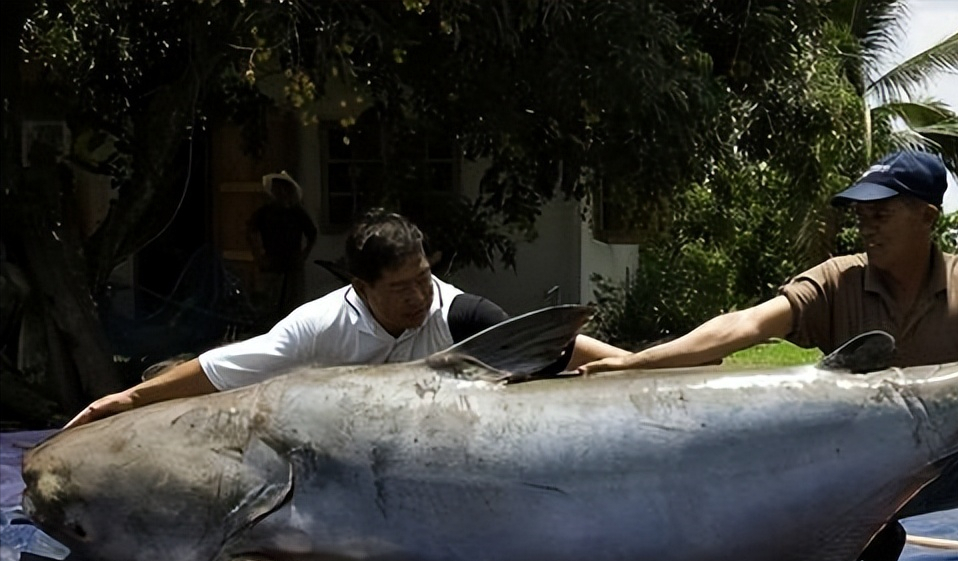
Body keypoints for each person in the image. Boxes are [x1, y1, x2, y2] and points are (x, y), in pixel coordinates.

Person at [581, 150, 958, 561]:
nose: (867, 227)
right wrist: (634, 363)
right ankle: (867, 542)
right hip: (850, 476)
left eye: (881, 214)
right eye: (860, 216)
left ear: (927, 217)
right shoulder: (838, 281)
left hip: (947, 462)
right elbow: (746, 324)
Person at [67, 209, 629, 430]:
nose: (418, 295)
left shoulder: (458, 313)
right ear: (360, 287)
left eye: (424, 277)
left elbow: (552, 346)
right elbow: (219, 371)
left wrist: (640, 366)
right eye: (400, 287)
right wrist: (132, 401)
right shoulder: (317, 329)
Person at [248, 171, 319, 322]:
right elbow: (251, 231)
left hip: (292, 263)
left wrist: (303, 255)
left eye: (281, 188)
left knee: (292, 306)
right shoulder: (265, 212)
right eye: (275, 188)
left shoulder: (297, 212)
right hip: (272, 263)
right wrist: (258, 256)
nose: (278, 192)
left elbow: (312, 234)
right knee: (269, 305)